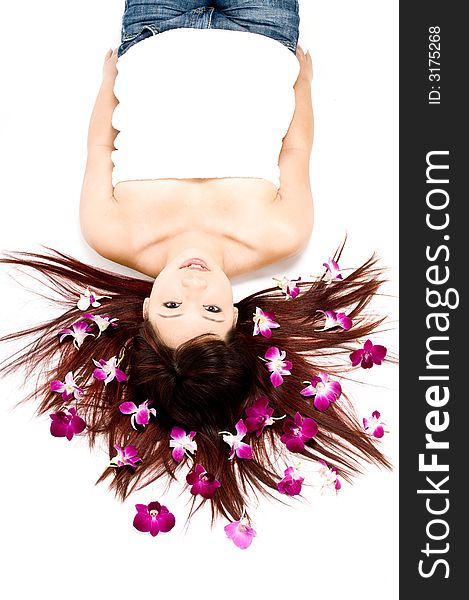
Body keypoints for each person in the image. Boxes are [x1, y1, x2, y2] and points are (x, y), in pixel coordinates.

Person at [0, 1, 392, 544]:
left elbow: (99, 145)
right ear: (238, 316)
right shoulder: (280, 236)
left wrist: (110, 76)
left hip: (155, 32)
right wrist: (304, 83)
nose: (193, 284)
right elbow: (296, 146)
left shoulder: (110, 233)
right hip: (263, 36)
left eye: (171, 307)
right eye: (211, 310)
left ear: (143, 310)